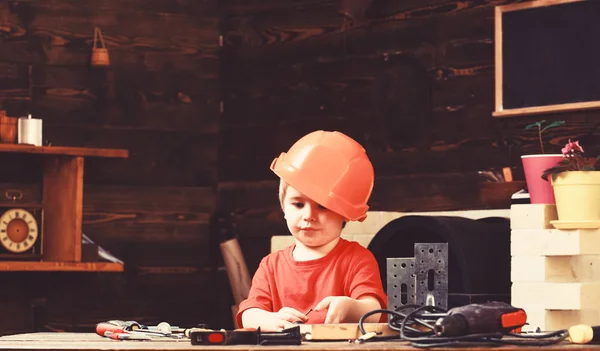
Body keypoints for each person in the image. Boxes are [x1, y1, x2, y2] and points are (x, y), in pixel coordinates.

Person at [236, 130, 387, 330]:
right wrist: (269, 320)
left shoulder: (357, 259)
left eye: (322, 206)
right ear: (284, 207)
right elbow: (249, 315)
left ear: (344, 212)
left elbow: (375, 311)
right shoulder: (271, 266)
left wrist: (352, 308)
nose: (308, 215)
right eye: (298, 205)